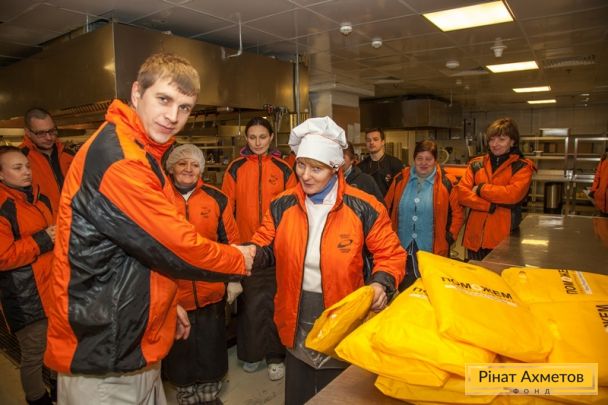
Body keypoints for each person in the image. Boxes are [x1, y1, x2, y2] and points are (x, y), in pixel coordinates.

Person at [43, 53, 254, 404]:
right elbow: (173, 246)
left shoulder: (141, 151)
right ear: (136, 92)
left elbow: (135, 250)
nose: (173, 116)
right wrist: (239, 259)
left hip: (131, 340)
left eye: (184, 107)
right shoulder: (120, 159)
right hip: (104, 356)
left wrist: (165, 305)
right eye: (164, 99)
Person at [249, 116, 406, 405]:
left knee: (338, 391)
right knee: (299, 390)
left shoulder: (363, 207)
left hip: (342, 309)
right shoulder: (282, 204)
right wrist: (248, 253)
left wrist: (381, 284)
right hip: (296, 308)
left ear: (336, 168)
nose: (305, 175)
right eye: (301, 165)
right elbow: (265, 243)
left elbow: (391, 253)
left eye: (317, 168)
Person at [163, 144, 242, 405]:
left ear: (201, 169)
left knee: (211, 345)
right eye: (182, 163)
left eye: (194, 165)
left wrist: (234, 279)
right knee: (180, 349)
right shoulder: (158, 198)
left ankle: (209, 394)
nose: (188, 169)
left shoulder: (216, 198)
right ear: (171, 167)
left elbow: (231, 242)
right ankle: (186, 395)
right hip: (173, 293)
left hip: (211, 288)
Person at [222, 116, 296, 380]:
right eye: (252, 137)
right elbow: (226, 210)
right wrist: (234, 246)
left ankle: (276, 357)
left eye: (262, 137)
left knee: (276, 302)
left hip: (277, 248)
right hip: (246, 248)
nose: (257, 142)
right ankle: (251, 354)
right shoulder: (235, 168)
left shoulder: (284, 169)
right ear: (246, 138)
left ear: (271, 138)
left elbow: (292, 208)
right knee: (250, 305)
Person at [0, 146, 55, 405]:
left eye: (28, 166)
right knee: (34, 353)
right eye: (18, 168)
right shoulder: (3, 207)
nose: (27, 172)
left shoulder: (38, 198)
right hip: (24, 296)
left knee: (55, 345)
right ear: (1, 174)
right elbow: (3, 256)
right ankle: (37, 398)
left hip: (51, 287)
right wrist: (43, 239)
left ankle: (57, 387)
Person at [385, 140, 464, 288]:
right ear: (413, 159)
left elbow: (457, 214)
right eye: (419, 158)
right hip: (402, 246)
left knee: (430, 288)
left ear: (435, 160)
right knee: (404, 288)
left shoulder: (447, 182)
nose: (423, 163)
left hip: (432, 249)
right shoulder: (400, 179)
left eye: (428, 159)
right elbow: (387, 208)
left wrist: (449, 237)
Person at [457, 117, 535, 261]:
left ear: (512, 141)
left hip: (503, 239)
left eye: (501, 139)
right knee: (474, 274)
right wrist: (488, 205)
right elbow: (461, 194)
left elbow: (512, 195)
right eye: (492, 140)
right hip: (474, 239)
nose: (495, 144)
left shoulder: (522, 167)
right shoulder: (476, 164)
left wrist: (481, 189)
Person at [20, 108, 74, 217]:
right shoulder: (20, 159)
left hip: (74, 221)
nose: (49, 138)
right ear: (28, 132)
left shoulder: (69, 155)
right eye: (41, 133)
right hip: (44, 224)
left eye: (52, 131)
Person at [357, 127, 404, 195]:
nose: (371, 142)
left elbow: (401, 192)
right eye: (368, 140)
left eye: (375, 139)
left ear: (383, 142)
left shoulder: (396, 164)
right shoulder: (360, 167)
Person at [589, 149, 608, 216]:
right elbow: (597, 177)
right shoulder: (603, 160)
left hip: (603, 198)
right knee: (602, 218)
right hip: (602, 198)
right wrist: (593, 190)